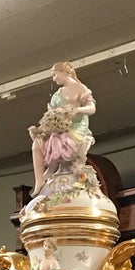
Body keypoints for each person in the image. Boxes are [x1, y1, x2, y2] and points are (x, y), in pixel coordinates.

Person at [28, 61, 97, 193]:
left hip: (76, 130)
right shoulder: (57, 95)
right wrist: (38, 130)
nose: (54, 79)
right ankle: (39, 180)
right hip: (58, 130)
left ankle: (51, 169)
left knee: (55, 140)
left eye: (55, 75)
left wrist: (77, 110)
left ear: (64, 72)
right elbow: (50, 119)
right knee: (37, 143)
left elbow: (92, 108)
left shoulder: (80, 88)